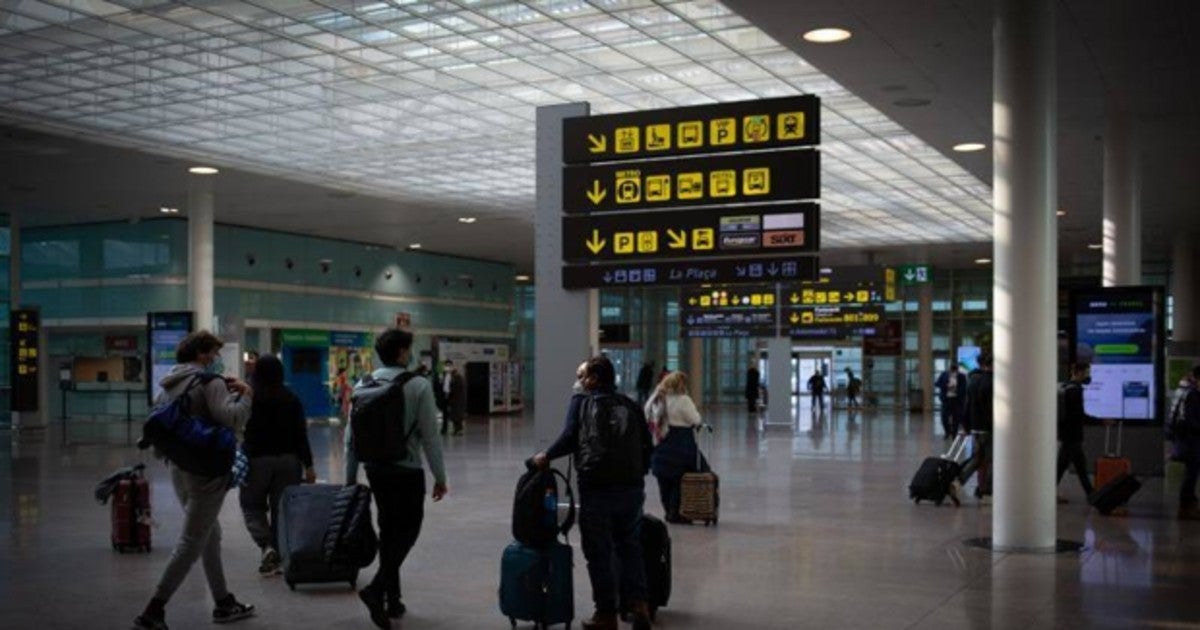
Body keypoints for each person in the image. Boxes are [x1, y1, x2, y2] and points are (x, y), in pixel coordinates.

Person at [132, 331, 256, 630]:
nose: (215, 359)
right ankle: (154, 609)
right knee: (191, 541)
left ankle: (223, 602)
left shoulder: (169, 385)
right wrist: (246, 395)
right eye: (213, 353)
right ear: (201, 354)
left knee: (209, 535)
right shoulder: (209, 382)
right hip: (206, 471)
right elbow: (232, 419)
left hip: (180, 468)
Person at [532, 356, 654, 630]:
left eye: (581, 375)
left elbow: (569, 437)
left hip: (597, 490)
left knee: (598, 552)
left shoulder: (582, 402)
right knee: (630, 546)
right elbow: (647, 444)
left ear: (593, 379)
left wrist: (546, 456)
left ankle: (606, 614)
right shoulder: (630, 404)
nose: (578, 381)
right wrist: (637, 477)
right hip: (631, 489)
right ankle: (639, 605)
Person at [354, 328, 448, 628]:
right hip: (406, 470)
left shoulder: (363, 383)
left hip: (375, 470)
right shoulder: (418, 385)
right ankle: (377, 589)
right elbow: (431, 437)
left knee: (389, 532)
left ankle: (393, 601)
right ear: (402, 353)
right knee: (408, 532)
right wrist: (440, 476)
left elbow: (350, 437)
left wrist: (347, 480)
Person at [238, 354, 316, 577]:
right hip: (289, 462)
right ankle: (277, 551)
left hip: (257, 461)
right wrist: (309, 466)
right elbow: (301, 434)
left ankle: (266, 546)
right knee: (283, 510)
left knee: (252, 505)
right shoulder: (291, 398)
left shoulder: (251, 398)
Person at [645, 371, 704, 524]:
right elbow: (695, 419)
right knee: (679, 478)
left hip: (659, 442)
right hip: (680, 441)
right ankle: (676, 512)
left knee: (663, 478)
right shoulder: (683, 400)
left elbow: (647, 415)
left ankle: (668, 511)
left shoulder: (656, 398)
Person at [954, 352, 994, 503]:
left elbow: (967, 404)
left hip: (976, 426)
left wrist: (965, 425)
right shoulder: (992, 382)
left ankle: (957, 482)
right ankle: (988, 492)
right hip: (989, 427)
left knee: (978, 459)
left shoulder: (972, 379)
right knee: (991, 460)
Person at [1055, 363, 1096, 503]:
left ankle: (1046, 493)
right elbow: (1079, 415)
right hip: (1073, 435)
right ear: (1078, 373)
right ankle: (1092, 495)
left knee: (1062, 466)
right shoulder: (1076, 391)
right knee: (1080, 466)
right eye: (1086, 372)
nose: (1088, 375)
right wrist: (1102, 421)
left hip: (1065, 433)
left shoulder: (1064, 387)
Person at [1172, 365, 1200, 520]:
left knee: (1192, 474)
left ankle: (1191, 504)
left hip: (1193, 440)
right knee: (1191, 474)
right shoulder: (1192, 395)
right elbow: (1188, 420)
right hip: (1190, 442)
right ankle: (1185, 507)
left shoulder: (1194, 394)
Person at [935, 364, 967, 439]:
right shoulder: (944, 374)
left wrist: (955, 391)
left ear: (957, 370)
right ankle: (947, 431)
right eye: (951, 371)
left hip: (957, 401)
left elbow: (963, 388)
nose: (952, 373)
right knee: (944, 418)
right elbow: (937, 384)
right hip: (946, 400)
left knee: (956, 418)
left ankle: (954, 434)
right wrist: (946, 385)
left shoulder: (962, 376)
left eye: (954, 371)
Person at [440, 360, 466, 436]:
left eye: (449, 366)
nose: (447, 367)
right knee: (450, 414)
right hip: (448, 397)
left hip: (455, 398)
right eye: (446, 366)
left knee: (457, 414)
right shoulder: (443, 375)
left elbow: (457, 388)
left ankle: (458, 430)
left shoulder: (457, 377)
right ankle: (448, 429)